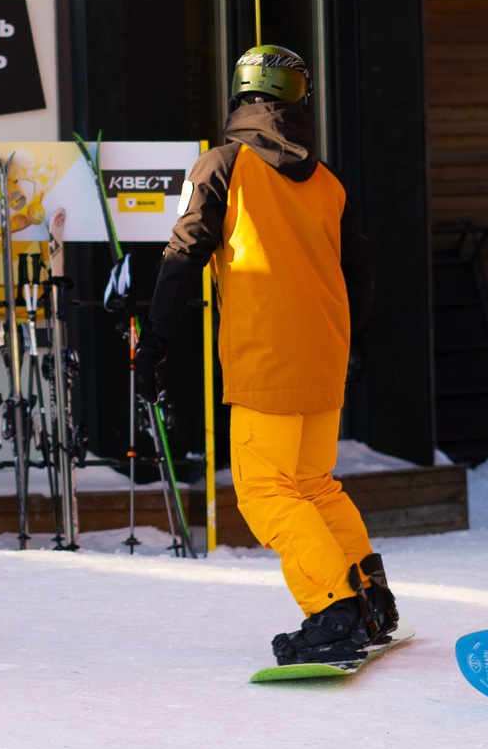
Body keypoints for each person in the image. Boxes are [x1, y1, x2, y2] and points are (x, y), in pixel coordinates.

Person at [134, 45, 393, 664]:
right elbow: (359, 266)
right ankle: (371, 598)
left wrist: (156, 340)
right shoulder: (327, 180)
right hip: (324, 351)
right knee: (314, 484)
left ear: (240, 94)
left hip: (266, 356)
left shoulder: (221, 166)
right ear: (300, 98)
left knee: (266, 491)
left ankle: (333, 612)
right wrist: (351, 340)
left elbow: (182, 254)